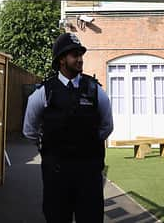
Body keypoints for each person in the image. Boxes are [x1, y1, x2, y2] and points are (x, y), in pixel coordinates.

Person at [23, 32, 113, 223]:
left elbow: (107, 126)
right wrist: (49, 148)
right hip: (57, 176)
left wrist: (86, 144)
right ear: (62, 59)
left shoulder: (95, 90)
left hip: (88, 175)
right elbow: (29, 130)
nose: (80, 59)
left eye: (81, 55)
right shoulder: (44, 92)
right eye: (75, 55)